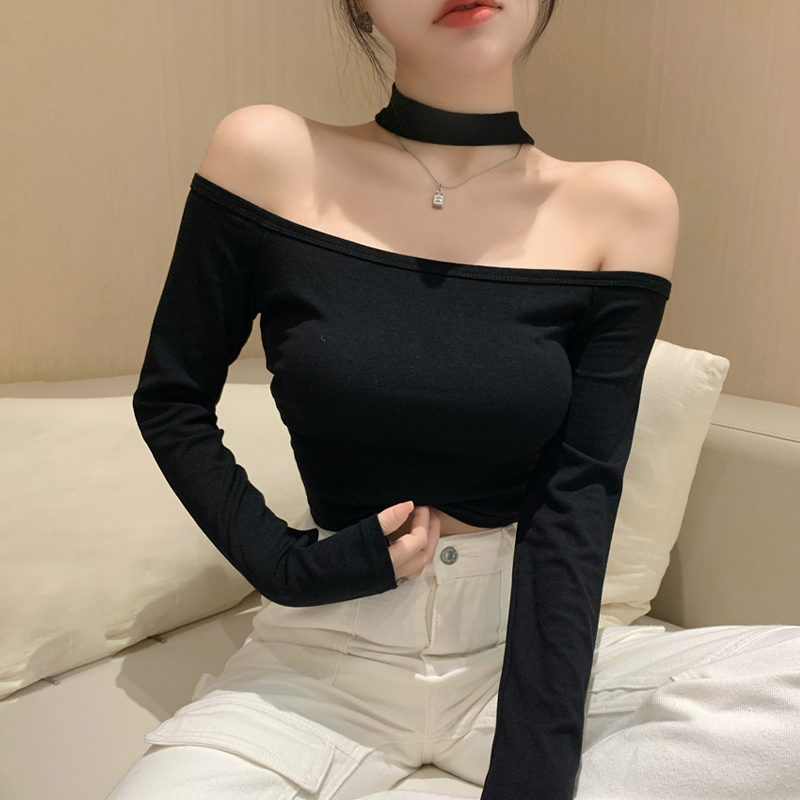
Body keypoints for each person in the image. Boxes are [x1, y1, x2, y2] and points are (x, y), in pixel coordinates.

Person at [110, 2, 800, 799]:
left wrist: (533, 771)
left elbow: (578, 491)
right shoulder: (268, 154)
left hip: (520, 650)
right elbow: (172, 400)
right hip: (321, 664)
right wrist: (287, 568)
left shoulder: (624, 205)